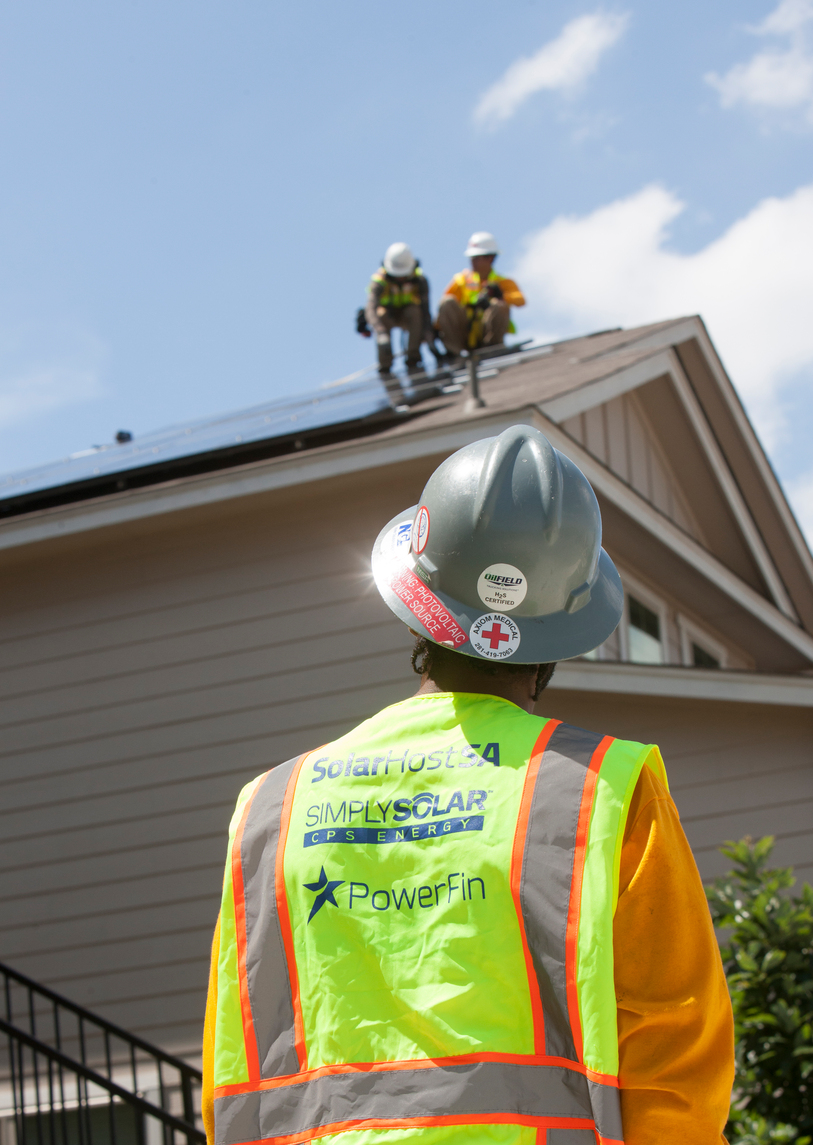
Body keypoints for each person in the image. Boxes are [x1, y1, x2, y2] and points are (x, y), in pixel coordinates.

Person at [202, 425, 734, 1145]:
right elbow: (675, 1058)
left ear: (417, 601)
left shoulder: (272, 806)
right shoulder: (603, 790)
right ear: (562, 631)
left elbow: (234, 1071)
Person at [436, 232, 526, 359]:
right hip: (465, 334)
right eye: (471, 257)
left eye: (477, 257)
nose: (472, 261)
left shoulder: (502, 282)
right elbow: (444, 308)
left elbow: (521, 300)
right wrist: (435, 329)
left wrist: (501, 296)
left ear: (490, 258)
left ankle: (493, 350)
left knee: (500, 305)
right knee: (447, 302)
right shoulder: (461, 281)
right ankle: (454, 355)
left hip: (487, 335)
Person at [360, 242, 432, 381]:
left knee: (414, 311)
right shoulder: (379, 281)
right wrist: (381, 333)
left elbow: (425, 310)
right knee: (381, 314)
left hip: (408, 316)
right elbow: (370, 309)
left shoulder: (419, 280)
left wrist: (428, 334)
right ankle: (385, 366)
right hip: (388, 317)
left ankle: (413, 358)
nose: (400, 278)